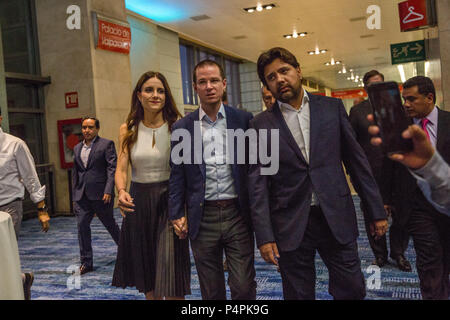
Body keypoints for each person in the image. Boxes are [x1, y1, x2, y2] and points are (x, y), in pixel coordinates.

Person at [248, 47, 387, 300]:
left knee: (352, 289)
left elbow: (357, 163)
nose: (279, 79)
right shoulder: (261, 125)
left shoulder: (331, 108)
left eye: (284, 71)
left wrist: (376, 211)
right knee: (298, 294)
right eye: (271, 77)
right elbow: (259, 184)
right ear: (266, 85)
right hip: (290, 223)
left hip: (335, 215)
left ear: (298, 71)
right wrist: (264, 236)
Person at [169, 59, 256, 300]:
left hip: (237, 214)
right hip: (202, 216)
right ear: (195, 87)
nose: (209, 86)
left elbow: (254, 170)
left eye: (214, 80)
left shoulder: (244, 120)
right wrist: (176, 213)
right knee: (211, 289)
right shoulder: (182, 127)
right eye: (202, 82)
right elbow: (177, 175)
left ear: (224, 84)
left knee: (243, 286)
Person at [369, 76, 449, 299]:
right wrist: (384, 199)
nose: (406, 104)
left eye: (412, 99)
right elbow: (388, 166)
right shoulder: (399, 129)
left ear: (430, 97)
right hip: (415, 205)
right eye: (404, 99)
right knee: (429, 257)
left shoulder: (448, 122)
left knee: (444, 256)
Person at [112, 71, 190, 300]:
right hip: (139, 202)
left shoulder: (178, 125)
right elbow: (121, 168)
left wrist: (184, 207)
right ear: (139, 95)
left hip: (171, 200)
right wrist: (121, 191)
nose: (155, 95)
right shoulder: (127, 128)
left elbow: (187, 171)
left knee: (172, 275)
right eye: (149, 90)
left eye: (160, 90)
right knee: (148, 275)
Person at [349, 70, 411, 271]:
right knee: (372, 215)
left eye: (381, 84)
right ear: (366, 88)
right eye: (374, 85)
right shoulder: (357, 112)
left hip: (398, 171)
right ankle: (380, 254)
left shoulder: (399, 109)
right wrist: (354, 172)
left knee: (401, 215)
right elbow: (352, 144)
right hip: (371, 173)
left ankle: (398, 253)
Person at [0, 109, 50, 299]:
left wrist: (41, 209)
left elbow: (30, 178)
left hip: (9, 207)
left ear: (0, 118)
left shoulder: (15, 145)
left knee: (4, 254)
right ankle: (21, 279)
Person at [368, 117, 450, 215]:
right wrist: (428, 167)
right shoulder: (401, 125)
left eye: (412, 100)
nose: (407, 104)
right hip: (412, 204)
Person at [72, 117, 121, 275]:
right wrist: (74, 196)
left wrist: (108, 190)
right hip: (82, 196)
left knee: (110, 225)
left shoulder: (106, 145)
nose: (86, 130)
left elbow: (111, 169)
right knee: (82, 226)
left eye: (90, 127)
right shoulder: (77, 148)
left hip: (101, 195)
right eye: (84, 127)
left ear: (97, 129)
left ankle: (127, 252)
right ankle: (86, 262)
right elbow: (76, 173)